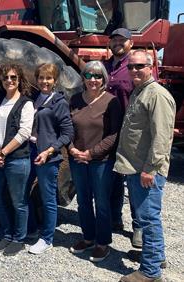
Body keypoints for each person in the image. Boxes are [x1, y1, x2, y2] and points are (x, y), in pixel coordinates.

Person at [116, 50, 175, 282]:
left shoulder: (157, 95)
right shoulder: (140, 92)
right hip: (136, 166)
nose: (134, 70)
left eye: (139, 66)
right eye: (130, 67)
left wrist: (150, 169)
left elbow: (162, 137)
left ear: (151, 66)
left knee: (148, 218)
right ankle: (156, 256)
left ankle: (150, 272)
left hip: (146, 170)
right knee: (149, 217)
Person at [68, 61, 122, 262]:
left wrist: (91, 153)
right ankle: (88, 237)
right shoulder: (74, 100)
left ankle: (103, 242)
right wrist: (72, 148)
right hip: (77, 159)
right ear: (83, 77)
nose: (93, 79)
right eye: (89, 75)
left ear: (104, 79)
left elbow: (114, 135)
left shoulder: (111, 102)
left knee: (101, 202)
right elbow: (68, 128)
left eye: (98, 76)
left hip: (101, 161)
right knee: (82, 201)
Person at [0, 63, 34, 256]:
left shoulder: (26, 103)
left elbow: (24, 132)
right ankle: (7, 233)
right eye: (6, 78)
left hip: (17, 160)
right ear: (1, 81)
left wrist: (2, 153)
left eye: (13, 77)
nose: (9, 81)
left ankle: (19, 239)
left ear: (19, 80)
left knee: (19, 201)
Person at [28, 63, 74, 255]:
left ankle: (47, 238)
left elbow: (67, 132)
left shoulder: (59, 102)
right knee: (23, 191)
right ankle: (30, 228)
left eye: (48, 78)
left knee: (48, 198)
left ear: (54, 81)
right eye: (41, 78)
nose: (44, 82)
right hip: (30, 153)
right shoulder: (36, 98)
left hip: (47, 158)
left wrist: (49, 150)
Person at [103, 28, 139, 238]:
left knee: (133, 182)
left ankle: (139, 227)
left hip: (129, 132)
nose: (117, 43)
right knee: (114, 179)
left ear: (130, 44)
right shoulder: (106, 67)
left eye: (122, 40)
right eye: (114, 40)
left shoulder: (134, 68)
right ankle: (115, 218)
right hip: (108, 132)